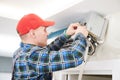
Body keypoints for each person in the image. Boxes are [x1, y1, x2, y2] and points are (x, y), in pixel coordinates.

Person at [12, 13, 88, 80]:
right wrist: (80, 35)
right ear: (33, 33)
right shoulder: (32, 57)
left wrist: (66, 35)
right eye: (44, 30)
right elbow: (75, 56)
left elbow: (46, 51)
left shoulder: (21, 52)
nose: (47, 34)